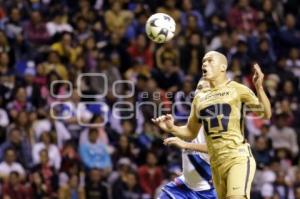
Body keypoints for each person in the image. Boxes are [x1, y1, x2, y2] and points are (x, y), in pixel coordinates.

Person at [152, 51, 272, 199]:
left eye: (209, 60)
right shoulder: (200, 100)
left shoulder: (236, 88)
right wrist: (172, 128)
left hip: (237, 157)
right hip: (215, 165)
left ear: (223, 67)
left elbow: (265, 114)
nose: (204, 64)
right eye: (203, 61)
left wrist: (259, 87)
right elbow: (190, 132)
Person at [158, 79, 216, 199]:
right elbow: (187, 134)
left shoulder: (218, 121)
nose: (200, 92)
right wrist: (170, 128)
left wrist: (185, 145)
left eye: (206, 89)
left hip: (207, 192)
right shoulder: (194, 119)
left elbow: (217, 148)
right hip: (184, 186)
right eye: (199, 88)